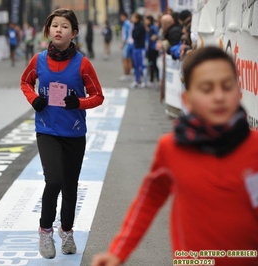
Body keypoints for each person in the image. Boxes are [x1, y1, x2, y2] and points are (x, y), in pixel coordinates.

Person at [92, 46, 258, 266]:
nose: (218, 96)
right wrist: (117, 251)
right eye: (206, 89)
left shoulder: (254, 147)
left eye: (227, 87)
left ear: (239, 93)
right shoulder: (171, 148)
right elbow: (149, 199)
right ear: (186, 98)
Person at [20, 8, 104, 260]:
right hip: (47, 130)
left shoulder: (83, 63)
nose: (59, 30)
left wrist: (77, 103)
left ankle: (66, 231)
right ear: (48, 31)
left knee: (70, 187)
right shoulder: (38, 60)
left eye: (65, 26)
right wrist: (34, 99)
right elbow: (25, 82)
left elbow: (98, 96)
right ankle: (45, 231)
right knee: (53, 180)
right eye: (54, 25)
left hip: (74, 133)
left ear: (74, 32)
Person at [130, 13, 146, 89]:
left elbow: (134, 35)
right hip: (136, 47)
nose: (132, 19)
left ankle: (144, 81)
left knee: (141, 65)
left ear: (137, 18)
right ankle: (137, 80)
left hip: (140, 48)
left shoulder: (140, 26)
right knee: (136, 65)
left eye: (133, 18)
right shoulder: (135, 26)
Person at [118, 13, 133, 81]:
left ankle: (125, 74)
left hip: (127, 43)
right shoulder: (129, 23)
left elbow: (126, 34)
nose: (121, 18)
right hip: (131, 42)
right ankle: (128, 74)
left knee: (125, 59)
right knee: (129, 59)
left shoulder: (126, 24)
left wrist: (123, 44)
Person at [145, 15, 159, 86]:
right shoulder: (149, 28)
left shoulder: (153, 28)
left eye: (146, 20)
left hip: (153, 49)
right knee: (152, 64)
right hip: (150, 48)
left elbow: (156, 36)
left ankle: (153, 79)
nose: (145, 21)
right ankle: (154, 79)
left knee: (153, 64)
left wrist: (155, 38)